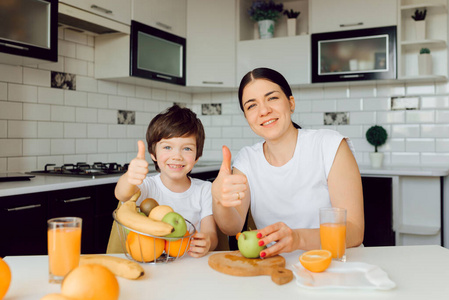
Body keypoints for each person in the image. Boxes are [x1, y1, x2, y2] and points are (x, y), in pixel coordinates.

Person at [212, 67, 364, 258]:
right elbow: (231, 226)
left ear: (291, 103)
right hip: (279, 269)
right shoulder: (247, 159)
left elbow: (355, 231)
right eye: (252, 105)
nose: (264, 111)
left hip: (337, 264)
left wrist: (299, 239)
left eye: (272, 98)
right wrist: (219, 200)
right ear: (246, 117)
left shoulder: (330, 145)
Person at [115, 105, 218, 257]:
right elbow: (121, 194)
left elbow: (211, 234)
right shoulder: (146, 186)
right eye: (168, 147)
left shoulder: (205, 190)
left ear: (197, 156)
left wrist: (207, 242)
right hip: (150, 263)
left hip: (190, 265)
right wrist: (130, 177)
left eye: (187, 149)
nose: (177, 156)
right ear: (153, 154)